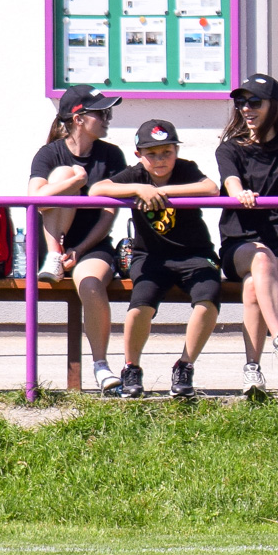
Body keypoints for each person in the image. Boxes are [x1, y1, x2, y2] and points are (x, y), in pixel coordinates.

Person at [90, 120, 220, 399]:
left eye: (167, 152)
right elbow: (96, 190)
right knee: (140, 305)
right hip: (150, 256)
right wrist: (139, 189)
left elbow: (211, 188)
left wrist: (162, 192)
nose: (160, 160)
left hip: (195, 254)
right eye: (152, 154)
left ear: (176, 151)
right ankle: (131, 368)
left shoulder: (186, 169)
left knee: (207, 299)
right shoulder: (135, 174)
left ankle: (184, 366)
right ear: (139, 155)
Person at [216, 73, 278, 397]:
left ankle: (252, 370)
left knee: (253, 284)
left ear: (273, 106)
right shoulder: (229, 148)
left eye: (254, 102)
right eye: (241, 102)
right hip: (241, 241)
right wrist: (239, 193)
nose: (246, 108)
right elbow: (230, 181)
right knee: (260, 258)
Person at [29, 85, 130, 394]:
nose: (108, 118)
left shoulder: (111, 155)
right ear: (78, 118)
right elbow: (35, 200)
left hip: (90, 245)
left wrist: (80, 249)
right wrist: (77, 181)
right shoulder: (50, 153)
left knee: (90, 284)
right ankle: (53, 256)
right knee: (63, 175)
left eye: (108, 113)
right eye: (101, 113)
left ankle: (101, 366)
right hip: (50, 244)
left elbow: (108, 214)